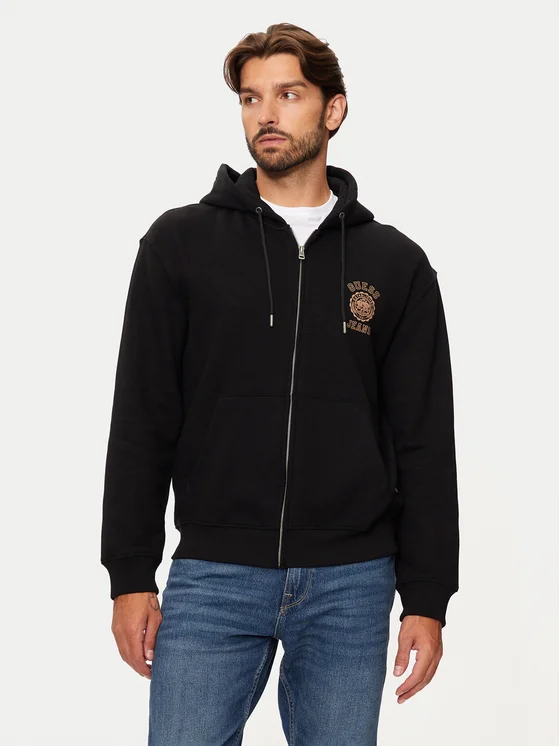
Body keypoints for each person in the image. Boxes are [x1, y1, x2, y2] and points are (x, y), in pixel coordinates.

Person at [100, 22, 460, 746]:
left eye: (288, 95)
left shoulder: (395, 264)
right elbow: (142, 417)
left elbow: (423, 437)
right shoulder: (180, 244)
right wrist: (129, 573)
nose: (265, 114)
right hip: (214, 575)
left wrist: (427, 596)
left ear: (334, 109)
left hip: (351, 581)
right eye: (251, 98)